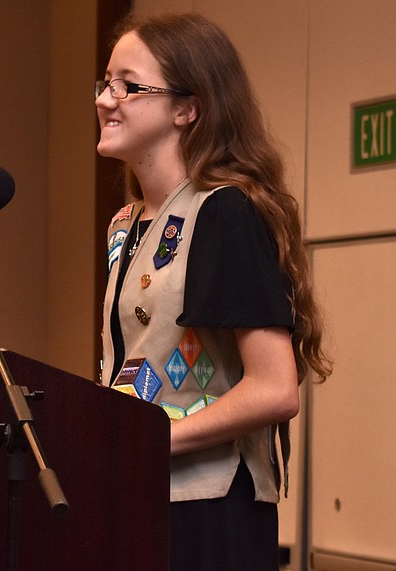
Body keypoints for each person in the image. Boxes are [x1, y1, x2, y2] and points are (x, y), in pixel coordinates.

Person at [94, 12, 331, 570]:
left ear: (186, 108)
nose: (107, 99)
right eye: (105, 83)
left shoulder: (224, 212)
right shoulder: (124, 225)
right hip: (137, 496)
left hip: (209, 510)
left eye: (129, 86)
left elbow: (275, 390)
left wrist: (150, 442)